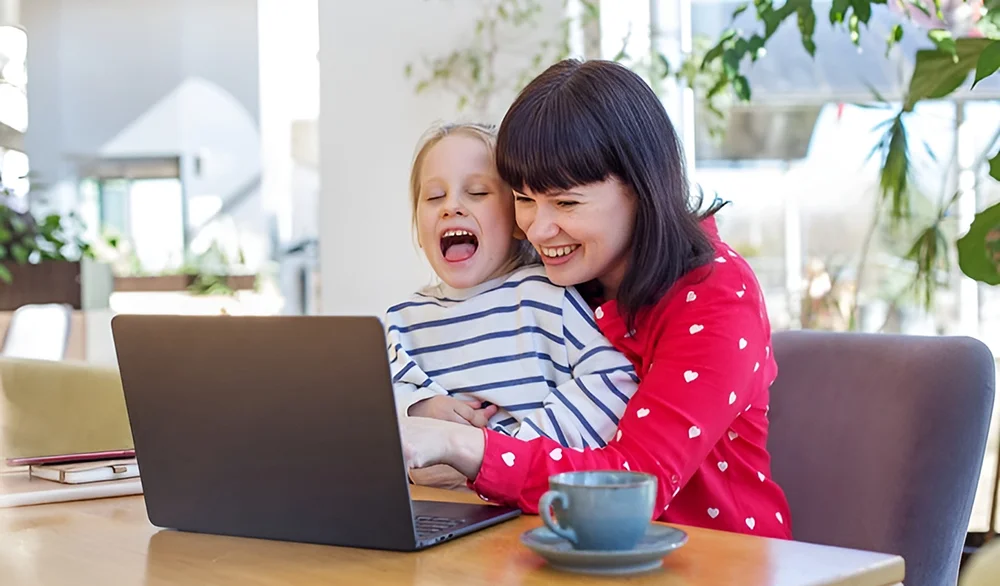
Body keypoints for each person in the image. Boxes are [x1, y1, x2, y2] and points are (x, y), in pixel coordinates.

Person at [399, 60, 793, 539]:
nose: (538, 230)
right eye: (524, 198)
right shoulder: (560, 280)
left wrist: (465, 446)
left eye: (565, 203)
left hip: (715, 560)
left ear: (641, 187)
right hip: (566, 554)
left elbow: (630, 483)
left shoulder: (717, 296)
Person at [387, 122, 640, 485]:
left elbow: (612, 382)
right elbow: (371, 409)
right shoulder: (403, 321)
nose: (451, 207)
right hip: (434, 515)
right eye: (433, 197)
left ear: (518, 218)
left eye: (476, 192)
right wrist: (417, 406)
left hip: (526, 505)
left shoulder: (545, 296)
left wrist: (504, 454)